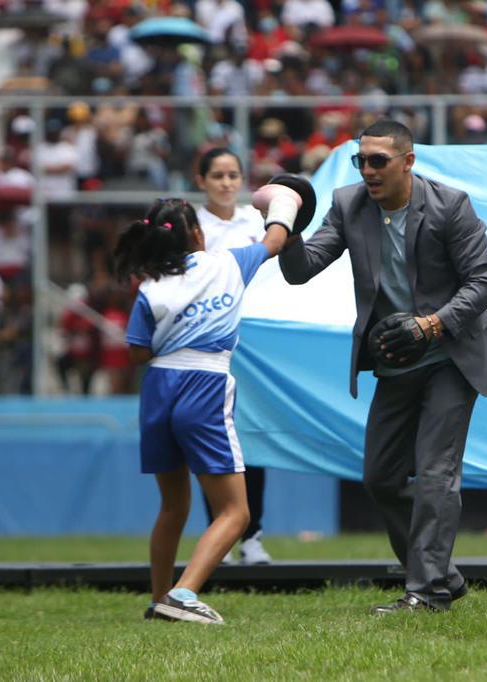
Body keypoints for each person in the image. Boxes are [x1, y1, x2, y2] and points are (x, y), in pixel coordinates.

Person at [278, 119, 487, 613]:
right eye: (361, 161)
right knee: (380, 478)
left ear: (408, 161)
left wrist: (432, 325)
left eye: (379, 160)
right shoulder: (347, 204)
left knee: (437, 473)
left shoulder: (450, 206)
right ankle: (442, 574)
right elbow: (301, 271)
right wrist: (287, 229)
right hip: (397, 361)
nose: (368, 171)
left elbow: (483, 282)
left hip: (450, 356)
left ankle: (425, 591)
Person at [116, 185, 309, 624]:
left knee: (172, 507)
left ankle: (159, 596)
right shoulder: (226, 264)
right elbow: (275, 240)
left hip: (158, 387)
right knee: (236, 512)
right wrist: (286, 199)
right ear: (198, 236)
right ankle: (184, 596)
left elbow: (136, 351)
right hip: (204, 385)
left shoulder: (150, 286)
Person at [192, 147, 273, 564]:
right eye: (217, 175)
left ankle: (251, 535)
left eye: (233, 175)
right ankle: (219, 535)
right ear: (201, 179)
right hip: (212, 347)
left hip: (256, 345)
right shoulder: (193, 225)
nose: (226, 183)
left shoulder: (253, 220)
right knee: (215, 441)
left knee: (251, 438)